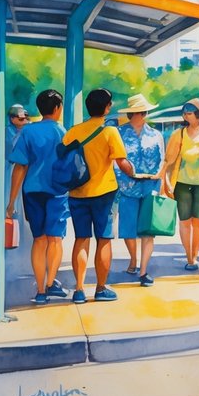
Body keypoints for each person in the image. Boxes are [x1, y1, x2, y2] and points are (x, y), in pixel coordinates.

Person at [64, 88, 137, 303]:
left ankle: (78, 290)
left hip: (77, 192)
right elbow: (122, 162)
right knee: (104, 240)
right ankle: (101, 288)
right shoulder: (109, 132)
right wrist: (134, 172)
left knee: (81, 239)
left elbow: (63, 154)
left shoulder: (74, 131)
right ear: (106, 108)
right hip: (103, 193)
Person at [6, 90, 68, 305]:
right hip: (57, 192)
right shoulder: (63, 132)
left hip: (32, 191)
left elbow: (20, 167)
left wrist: (11, 200)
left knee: (39, 239)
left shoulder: (28, 133)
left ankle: (40, 290)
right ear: (58, 108)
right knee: (55, 239)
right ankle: (51, 283)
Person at [160, 99, 199, 270]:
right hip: (181, 183)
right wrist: (165, 182)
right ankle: (190, 257)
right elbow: (168, 161)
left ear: (198, 114)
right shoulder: (178, 134)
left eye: (189, 112)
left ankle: (195, 253)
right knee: (185, 221)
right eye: (184, 112)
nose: (186, 115)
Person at [114, 94, 165, 286]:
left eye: (143, 112)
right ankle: (133, 259)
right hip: (127, 186)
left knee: (147, 230)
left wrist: (160, 181)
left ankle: (143, 271)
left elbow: (162, 160)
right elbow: (115, 161)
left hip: (150, 186)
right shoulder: (119, 134)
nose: (142, 115)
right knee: (128, 230)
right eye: (138, 112)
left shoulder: (156, 135)